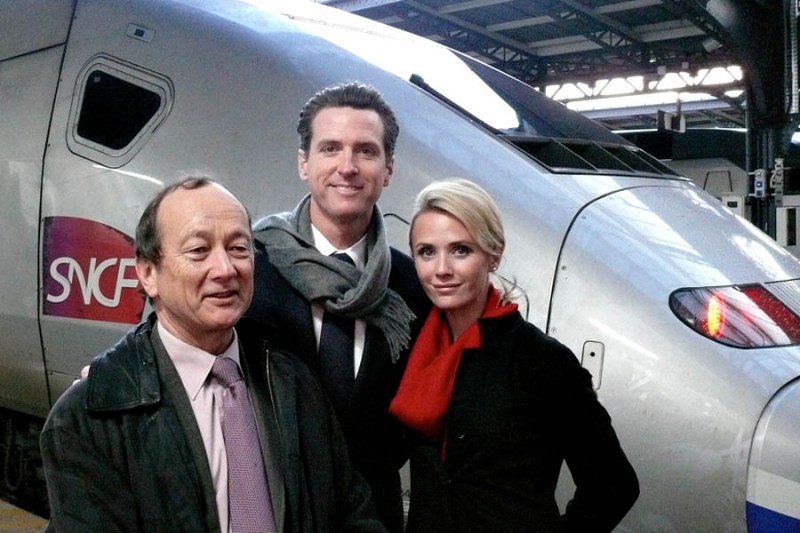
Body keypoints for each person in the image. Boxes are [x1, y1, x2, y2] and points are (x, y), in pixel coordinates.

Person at [40, 176, 386, 532]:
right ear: (147, 273)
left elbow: (352, 512)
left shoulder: (293, 383)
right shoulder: (89, 418)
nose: (225, 270)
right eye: (198, 251)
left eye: (239, 248)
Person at [389, 178, 640, 533]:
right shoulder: (413, 350)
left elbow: (614, 485)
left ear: (494, 254)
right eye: (426, 252)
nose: (441, 269)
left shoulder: (540, 361)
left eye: (461, 250)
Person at [246, 82, 430, 532]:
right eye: (330, 148)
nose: (347, 167)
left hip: (373, 515)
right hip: (270, 509)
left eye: (365, 151)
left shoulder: (413, 289)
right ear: (304, 163)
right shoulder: (251, 264)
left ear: (388, 169)